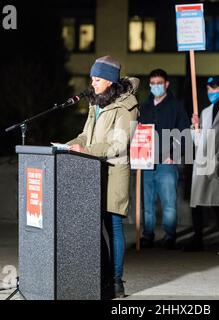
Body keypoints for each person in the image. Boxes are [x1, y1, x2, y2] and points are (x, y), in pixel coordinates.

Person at [66, 55, 139, 298]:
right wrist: (69, 145)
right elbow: (86, 135)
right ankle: (101, 275)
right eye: (92, 79)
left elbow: (119, 144)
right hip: (92, 171)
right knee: (93, 225)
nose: (93, 83)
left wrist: (85, 150)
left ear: (109, 81)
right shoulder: (95, 103)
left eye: (97, 79)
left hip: (114, 171)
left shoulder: (127, 106)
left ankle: (116, 282)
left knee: (113, 224)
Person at [138, 69, 190, 249]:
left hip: (166, 163)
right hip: (146, 162)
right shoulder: (143, 108)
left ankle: (169, 236)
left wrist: (175, 154)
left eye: (159, 83)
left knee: (169, 203)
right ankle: (147, 235)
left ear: (166, 84)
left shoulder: (176, 107)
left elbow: (185, 134)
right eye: (152, 84)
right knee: (147, 203)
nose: (156, 86)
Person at [184, 76, 219, 256]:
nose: (211, 92)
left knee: (217, 202)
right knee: (197, 201)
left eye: (214, 88)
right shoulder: (204, 112)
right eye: (208, 88)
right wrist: (195, 127)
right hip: (202, 159)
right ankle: (198, 238)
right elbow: (198, 141)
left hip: (218, 159)